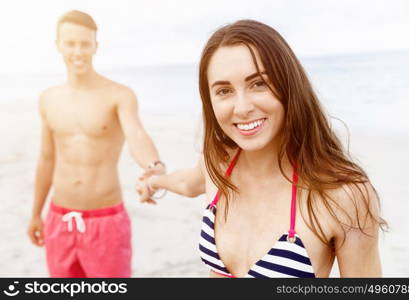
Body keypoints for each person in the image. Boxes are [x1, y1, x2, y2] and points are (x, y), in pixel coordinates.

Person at [136, 20, 387, 278]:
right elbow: (189, 183)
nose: (242, 108)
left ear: (289, 85)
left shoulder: (343, 194)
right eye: (224, 90)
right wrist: (154, 181)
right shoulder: (219, 162)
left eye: (258, 84)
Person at [27, 10, 165, 278]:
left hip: (106, 221)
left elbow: (136, 134)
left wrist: (154, 166)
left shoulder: (119, 95)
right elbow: (46, 158)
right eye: (70, 43)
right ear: (58, 45)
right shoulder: (48, 98)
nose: (78, 51)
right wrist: (36, 213)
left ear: (95, 46)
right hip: (59, 217)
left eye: (84, 43)